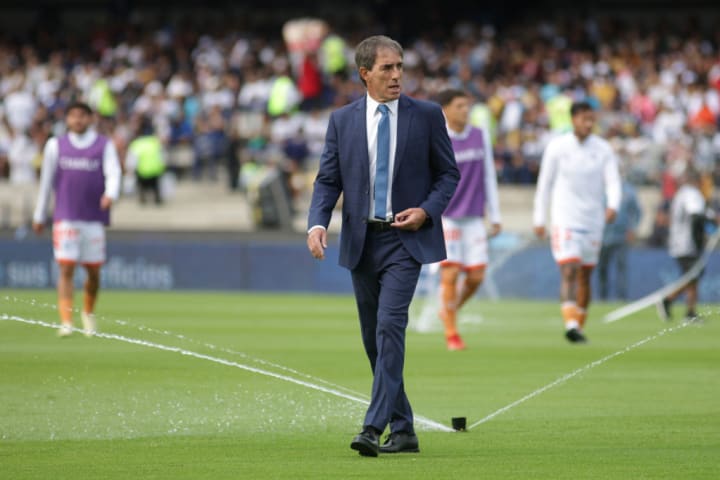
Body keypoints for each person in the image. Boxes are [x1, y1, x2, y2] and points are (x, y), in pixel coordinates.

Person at [307, 35, 459, 457]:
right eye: (387, 68)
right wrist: (317, 224)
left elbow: (448, 175)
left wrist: (426, 212)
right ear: (365, 73)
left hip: (405, 240)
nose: (396, 75)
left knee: (391, 327)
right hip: (361, 241)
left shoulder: (427, 115)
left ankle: (373, 427)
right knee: (374, 340)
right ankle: (405, 428)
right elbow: (328, 179)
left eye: (400, 67)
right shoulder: (342, 120)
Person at [533, 101, 621, 343]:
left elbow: (613, 181)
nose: (589, 124)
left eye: (592, 119)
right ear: (573, 120)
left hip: (593, 219)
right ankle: (570, 323)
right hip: (565, 218)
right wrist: (539, 218)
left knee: (585, 274)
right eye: (584, 119)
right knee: (569, 268)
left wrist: (613, 204)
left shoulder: (603, 149)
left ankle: (578, 326)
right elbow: (545, 184)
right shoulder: (557, 147)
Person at [32, 102, 122, 337]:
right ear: (67, 119)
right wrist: (39, 214)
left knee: (93, 272)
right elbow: (46, 181)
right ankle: (66, 320)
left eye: (82, 116)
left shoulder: (103, 144)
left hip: (93, 217)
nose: (77, 120)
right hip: (66, 216)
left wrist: (111, 194)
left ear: (90, 118)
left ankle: (88, 313)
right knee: (66, 267)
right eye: (73, 116)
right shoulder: (55, 145)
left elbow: (114, 171)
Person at [435, 89, 502, 351]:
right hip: (447, 217)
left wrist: (494, 215)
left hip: (474, 216)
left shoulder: (480, 136)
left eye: (467, 106)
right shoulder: (438, 138)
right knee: (450, 274)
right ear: (447, 110)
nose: (466, 111)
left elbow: (488, 176)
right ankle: (452, 333)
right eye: (460, 106)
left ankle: (449, 310)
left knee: (476, 277)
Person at [657, 169, 712, 321]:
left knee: (693, 276)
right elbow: (696, 216)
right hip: (687, 243)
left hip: (679, 242)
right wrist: (698, 241)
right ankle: (668, 299)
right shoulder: (692, 194)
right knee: (694, 274)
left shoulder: (682, 193)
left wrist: (712, 218)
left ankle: (690, 311)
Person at [597, 177, 642, 300]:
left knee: (621, 268)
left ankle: (621, 298)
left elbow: (637, 212)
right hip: (603, 236)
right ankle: (602, 297)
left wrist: (632, 228)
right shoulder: (600, 188)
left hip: (621, 236)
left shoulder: (628, 190)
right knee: (602, 268)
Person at [126, 117, 166, 205]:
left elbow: (132, 160)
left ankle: (142, 196)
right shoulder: (156, 142)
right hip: (156, 172)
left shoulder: (136, 143)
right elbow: (162, 157)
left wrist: (130, 170)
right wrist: (163, 167)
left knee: (141, 183)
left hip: (142, 172)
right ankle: (157, 197)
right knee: (156, 184)